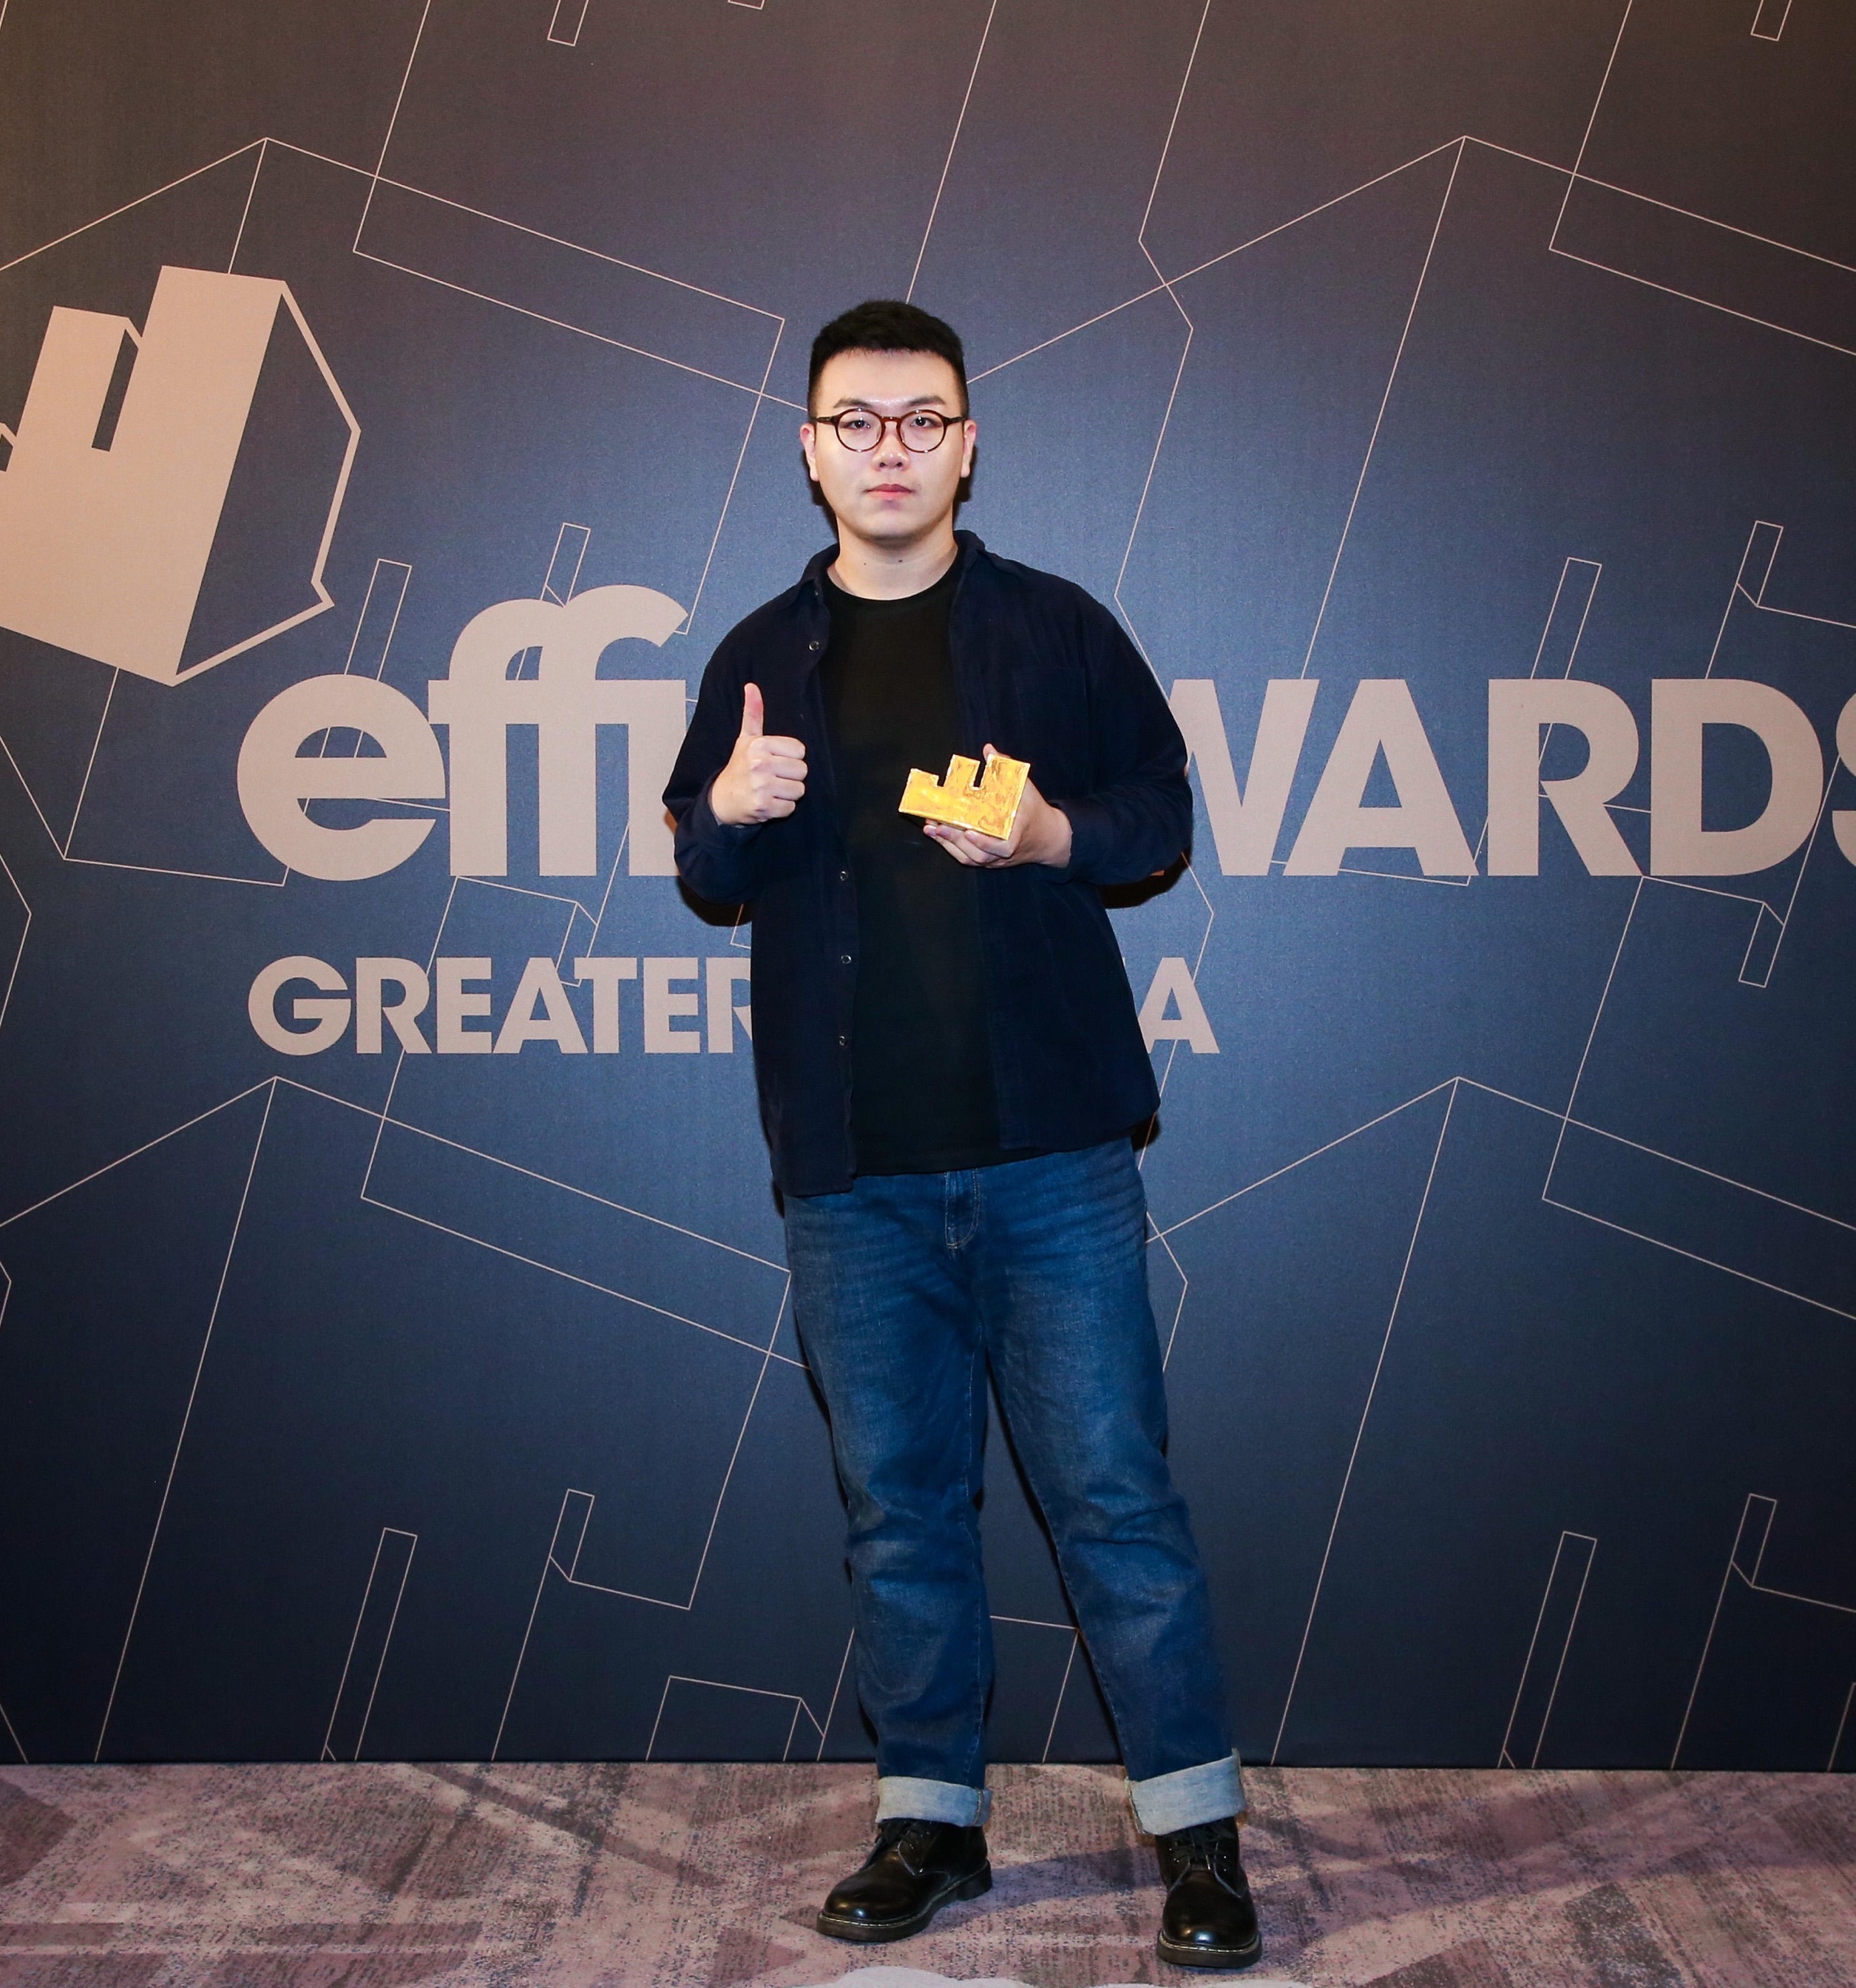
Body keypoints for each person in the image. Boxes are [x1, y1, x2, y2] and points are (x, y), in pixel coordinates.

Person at [660, 300, 1260, 1971]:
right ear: (810, 449)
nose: (892, 451)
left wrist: (1056, 831)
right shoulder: (758, 657)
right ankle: (930, 1822)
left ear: (969, 443)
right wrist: (725, 811)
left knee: (1115, 1501)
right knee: (900, 1514)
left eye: (923, 420)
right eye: (857, 423)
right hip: (852, 1179)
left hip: (1053, 1159)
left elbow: (1160, 811)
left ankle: (1199, 1841)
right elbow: (702, 863)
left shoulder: (1056, 627)